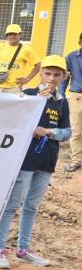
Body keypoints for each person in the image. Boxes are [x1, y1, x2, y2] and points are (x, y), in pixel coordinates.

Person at [0, 55, 70, 269]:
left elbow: (67, 132)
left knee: (32, 206)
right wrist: (37, 101)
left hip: (47, 160)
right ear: (40, 73)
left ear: (64, 77)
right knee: (12, 204)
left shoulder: (62, 101)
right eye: (48, 73)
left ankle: (23, 249)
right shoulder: (27, 95)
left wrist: (50, 132)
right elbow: (13, 123)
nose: (51, 78)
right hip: (25, 159)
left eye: (56, 75)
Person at [0, 23, 40, 94]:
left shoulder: (26, 50)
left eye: (15, 34)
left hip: (14, 88)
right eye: (9, 34)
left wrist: (27, 79)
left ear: (20, 35)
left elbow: (38, 65)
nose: (12, 36)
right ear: (7, 36)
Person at [61, 33, 82, 172]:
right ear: (80, 41)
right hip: (77, 97)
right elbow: (65, 78)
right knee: (76, 131)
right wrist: (61, 95)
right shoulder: (71, 57)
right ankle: (76, 160)